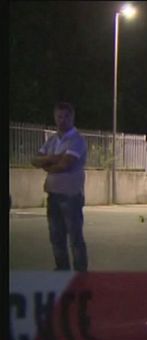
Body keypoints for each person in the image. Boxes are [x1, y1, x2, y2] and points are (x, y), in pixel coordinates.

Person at [31, 102, 88, 272]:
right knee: (56, 237)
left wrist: (47, 163)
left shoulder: (77, 140)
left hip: (71, 196)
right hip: (53, 194)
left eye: (66, 117)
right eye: (59, 116)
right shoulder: (52, 140)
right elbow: (34, 160)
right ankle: (62, 271)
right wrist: (55, 158)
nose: (62, 120)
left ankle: (80, 274)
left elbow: (65, 165)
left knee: (75, 238)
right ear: (55, 117)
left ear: (72, 117)